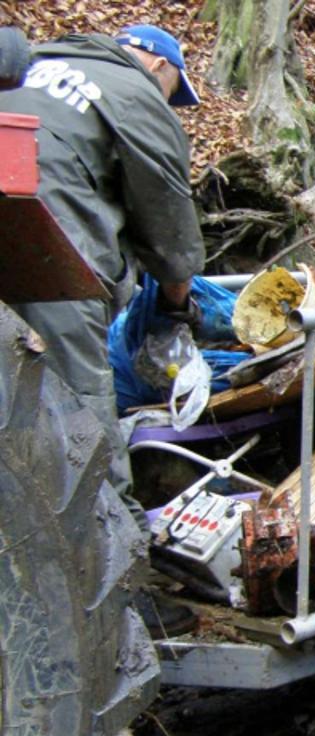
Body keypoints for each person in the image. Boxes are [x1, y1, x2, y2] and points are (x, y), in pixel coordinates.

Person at [0, 24, 205, 528]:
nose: (170, 104)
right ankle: (120, 585)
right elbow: (171, 231)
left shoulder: (31, 62)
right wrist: (175, 311)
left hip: (20, 219)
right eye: (173, 92)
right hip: (42, 254)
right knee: (81, 414)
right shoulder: (137, 95)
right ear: (159, 65)